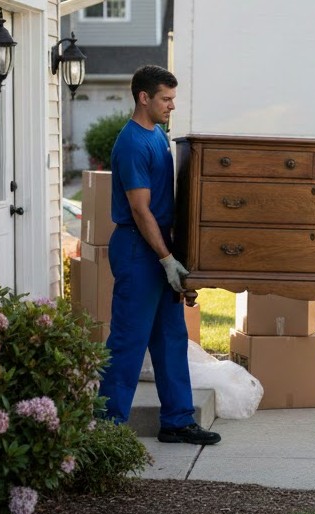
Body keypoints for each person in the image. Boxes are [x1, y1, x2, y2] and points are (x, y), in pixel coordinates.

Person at [98, 65, 220, 445]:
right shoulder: (133, 143)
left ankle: (177, 421)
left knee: (170, 337)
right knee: (128, 341)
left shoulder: (157, 136)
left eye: (173, 99)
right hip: (139, 248)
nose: (171, 106)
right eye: (165, 99)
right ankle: (108, 429)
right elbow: (140, 209)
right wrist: (166, 259)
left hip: (156, 246)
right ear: (144, 97)